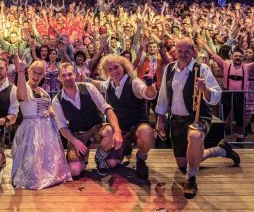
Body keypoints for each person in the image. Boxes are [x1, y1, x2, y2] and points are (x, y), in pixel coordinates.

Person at [155, 37, 240, 199]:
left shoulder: (202, 69)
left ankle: (191, 179)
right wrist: (159, 120)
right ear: (176, 51)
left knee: (195, 136)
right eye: (180, 51)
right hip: (176, 121)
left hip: (198, 117)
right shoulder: (170, 69)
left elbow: (216, 96)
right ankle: (220, 150)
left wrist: (205, 89)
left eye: (187, 51)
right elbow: (164, 97)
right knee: (184, 164)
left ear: (193, 51)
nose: (183, 54)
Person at [51, 62, 123, 178]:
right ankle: (83, 159)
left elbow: (107, 109)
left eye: (70, 74)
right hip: (77, 134)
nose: (67, 78)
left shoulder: (88, 87)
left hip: (96, 128)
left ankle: (101, 155)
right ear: (59, 78)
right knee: (74, 171)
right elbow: (62, 127)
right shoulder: (56, 100)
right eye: (63, 75)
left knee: (110, 131)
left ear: (75, 75)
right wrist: (75, 142)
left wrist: (117, 131)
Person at [91, 54, 157, 179]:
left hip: (138, 127)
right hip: (121, 130)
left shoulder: (134, 82)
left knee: (147, 132)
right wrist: (84, 79)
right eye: (109, 69)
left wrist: (150, 85)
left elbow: (149, 94)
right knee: (111, 163)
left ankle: (141, 159)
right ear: (106, 72)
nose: (114, 71)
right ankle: (126, 148)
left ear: (124, 67)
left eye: (116, 67)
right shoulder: (109, 84)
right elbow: (99, 85)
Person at [12, 58, 72, 189]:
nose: (36, 76)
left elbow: (48, 106)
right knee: (33, 161)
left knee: (48, 160)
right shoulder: (24, 87)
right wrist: (20, 71)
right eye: (34, 72)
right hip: (31, 128)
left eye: (40, 73)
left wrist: (51, 113)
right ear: (29, 71)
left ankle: (51, 175)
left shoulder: (42, 90)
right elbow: (21, 95)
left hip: (47, 129)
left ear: (43, 75)